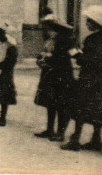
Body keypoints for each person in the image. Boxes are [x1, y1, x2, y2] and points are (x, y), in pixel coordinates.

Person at [61, 5, 102, 151]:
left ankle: (75, 140)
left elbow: (90, 60)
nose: (87, 24)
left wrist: (76, 55)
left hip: (90, 79)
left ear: (96, 23)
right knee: (96, 110)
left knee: (80, 108)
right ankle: (96, 140)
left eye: (89, 21)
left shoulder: (93, 39)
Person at [33, 14, 75, 142]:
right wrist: (40, 59)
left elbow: (62, 56)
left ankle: (60, 132)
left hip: (62, 74)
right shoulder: (50, 40)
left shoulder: (66, 40)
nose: (46, 31)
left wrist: (48, 58)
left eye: (49, 28)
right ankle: (50, 129)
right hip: (49, 74)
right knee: (50, 102)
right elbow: (46, 54)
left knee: (61, 103)